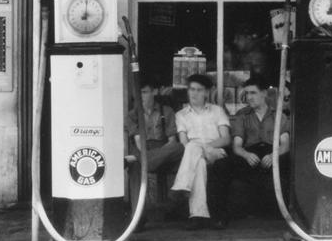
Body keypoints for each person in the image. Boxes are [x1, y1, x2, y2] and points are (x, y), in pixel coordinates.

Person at [224, 76, 291, 217]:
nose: (249, 97)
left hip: (272, 153)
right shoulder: (242, 115)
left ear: (264, 93)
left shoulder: (278, 115)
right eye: (247, 93)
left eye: (253, 93)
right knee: (221, 165)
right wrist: (246, 155)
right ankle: (221, 216)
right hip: (250, 154)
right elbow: (237, 145)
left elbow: (285, 144)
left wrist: (274, 156)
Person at [172, 74, 232, 229]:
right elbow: (184, 142)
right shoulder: (181, 115)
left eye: (199, 90)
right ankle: (198, 215)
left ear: (206, 92)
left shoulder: (217, 111)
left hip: (215, 152)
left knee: (194, 147)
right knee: (198, 162)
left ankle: (182, 185)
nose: (194, 93)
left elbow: (226, 139)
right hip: (193, 156)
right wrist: (198, 150)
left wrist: (205, 147)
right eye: (191, 89)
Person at [125, 80, 184, 211]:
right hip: (143, 149)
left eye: (144, 92)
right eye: (138, 93)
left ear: (154, 92)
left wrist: (156, 156)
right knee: (135, 168)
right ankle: (139, 218)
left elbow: (172, 141)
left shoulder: (167, 111)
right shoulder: (132, 115)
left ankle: (141, 159)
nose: (141, 96)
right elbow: (138, 141)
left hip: (163, 150)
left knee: (181, 148)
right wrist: (146, 157)